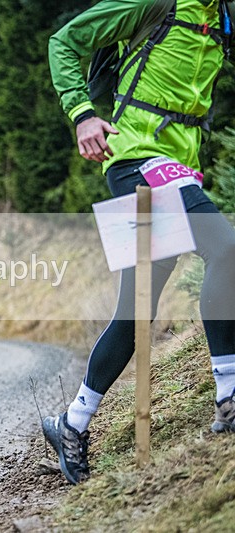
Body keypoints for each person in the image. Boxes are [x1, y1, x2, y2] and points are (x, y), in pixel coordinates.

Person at [44, 0, 235, 485]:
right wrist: (83, 114)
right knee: (226, 249)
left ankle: (72, 423)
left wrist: (192, 170)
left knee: (134, 316)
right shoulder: (156, 2)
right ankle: (229, 396)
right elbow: (63, 42)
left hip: (177, 168)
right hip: (134, 159)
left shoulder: (223, 18)